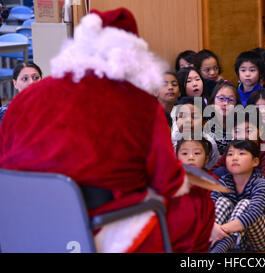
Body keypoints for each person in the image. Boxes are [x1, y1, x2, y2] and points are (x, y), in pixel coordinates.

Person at [0, 8, 215, 253]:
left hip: (23, 223)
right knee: (198, 201)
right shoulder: (139, 103)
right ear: (133, 55)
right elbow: (167, 181)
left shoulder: (24, 100)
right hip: (97, 227)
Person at [209, 140, 265, 253]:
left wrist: (221, 229)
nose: (235, 158)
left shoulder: (260, 183)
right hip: (240, 240)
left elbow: (253, 214)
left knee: (245, 204)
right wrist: (213, 227)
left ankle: (218, 249)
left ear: (255, 161)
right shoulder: (224, 181)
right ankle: (211, 245)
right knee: (222, 201)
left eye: (241, 154)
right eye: (230, 154)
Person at [212, 109, 265, 188]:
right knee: (220, 171)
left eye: (249, 131)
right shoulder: (233, 149)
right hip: (231, 193)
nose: (243, 136)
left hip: (259, 195)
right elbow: (214, 170)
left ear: (260, 131)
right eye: (237, 131)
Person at [171, 96, 220, 170]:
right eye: (182, 116)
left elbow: (212, 168)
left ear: (204, 123)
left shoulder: (209, 143)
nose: (188, 121)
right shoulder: (172, 140)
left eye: (194, 117)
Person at [205, 80, 241, 156]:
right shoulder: (204, 122)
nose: (226, 103)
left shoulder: (240, 126)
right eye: (221, 98)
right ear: (213, 100)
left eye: (231, 100)